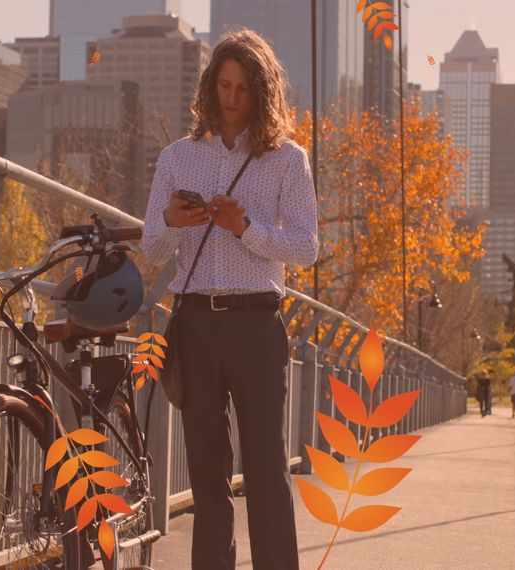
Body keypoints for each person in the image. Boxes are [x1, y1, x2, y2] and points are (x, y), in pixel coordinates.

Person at [142, 29, 316, 570]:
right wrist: (173, 219)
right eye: (224, 84)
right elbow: (151, 245)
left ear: (262, 92)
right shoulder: (177, 157)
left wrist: (246, 228)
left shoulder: (288, 160)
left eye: (242, 87)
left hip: (256, 324)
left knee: (265, 469)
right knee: (206, 474)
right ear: (210, 85)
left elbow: (307, 247)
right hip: (193, 324)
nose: (232, 97)